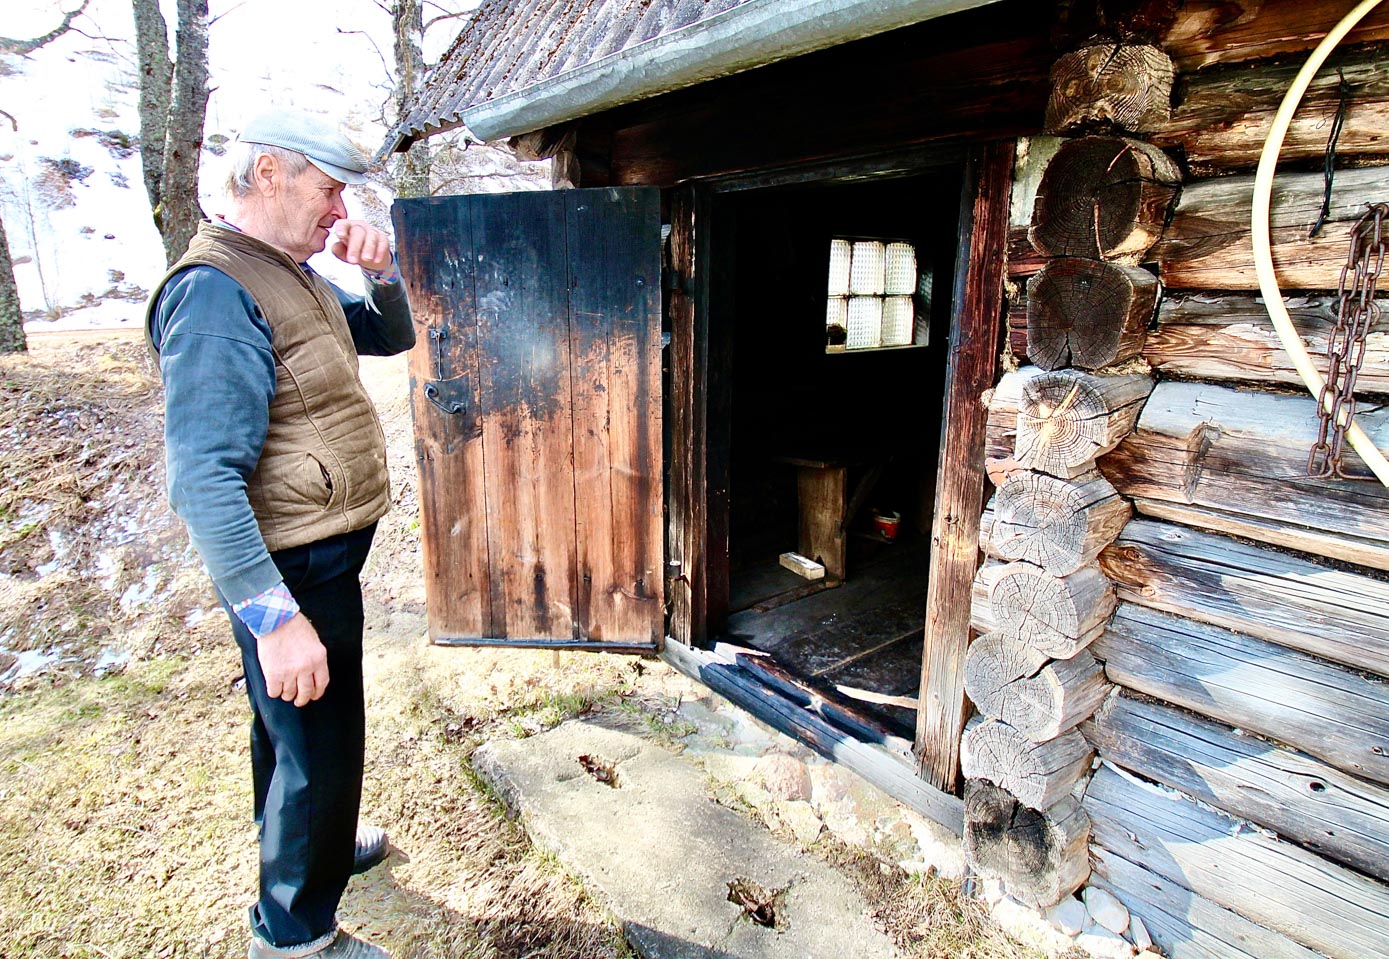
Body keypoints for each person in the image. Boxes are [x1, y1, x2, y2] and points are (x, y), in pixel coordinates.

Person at [144, 108, 415, 959]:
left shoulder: (287, 268)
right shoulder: (218, 291)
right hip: (288, 566)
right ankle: (296, 937)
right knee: (320, 745)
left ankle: (313, 848)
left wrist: (381, 273)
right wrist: (274, 617)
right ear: (268, 175)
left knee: (292, 729)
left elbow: (386, 334)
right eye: (327, 189)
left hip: (317, 554)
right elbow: (202, 479)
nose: (339, 209)